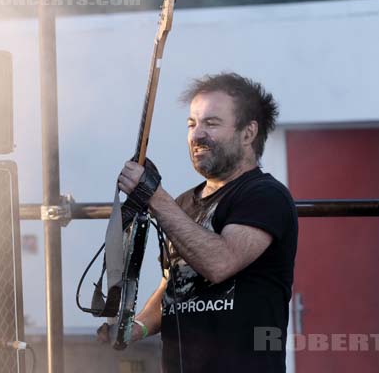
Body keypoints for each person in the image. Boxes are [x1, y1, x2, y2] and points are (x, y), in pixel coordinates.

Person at [114, 72, 298, 372]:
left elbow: (220, 263)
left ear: (248, 133)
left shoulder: (266, 195)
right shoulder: (183, 203)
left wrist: (154, 197)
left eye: (211, 124)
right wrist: (136, 328)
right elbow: (173, 285)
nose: (197, 134)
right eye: (192, 124)